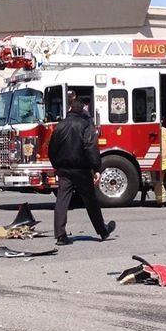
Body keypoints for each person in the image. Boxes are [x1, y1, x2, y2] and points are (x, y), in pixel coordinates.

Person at [47, 98, 115, 245]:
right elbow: (90, 147)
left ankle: (60, 235)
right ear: (83, 110)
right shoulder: (86, 126)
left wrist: (56, 165)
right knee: (90, 200)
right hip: (82, 169)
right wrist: (96, 168)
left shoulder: (60, 126)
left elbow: (51, 148)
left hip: (64, 168)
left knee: (62, 200)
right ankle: (102, 231)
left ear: (70, 109)